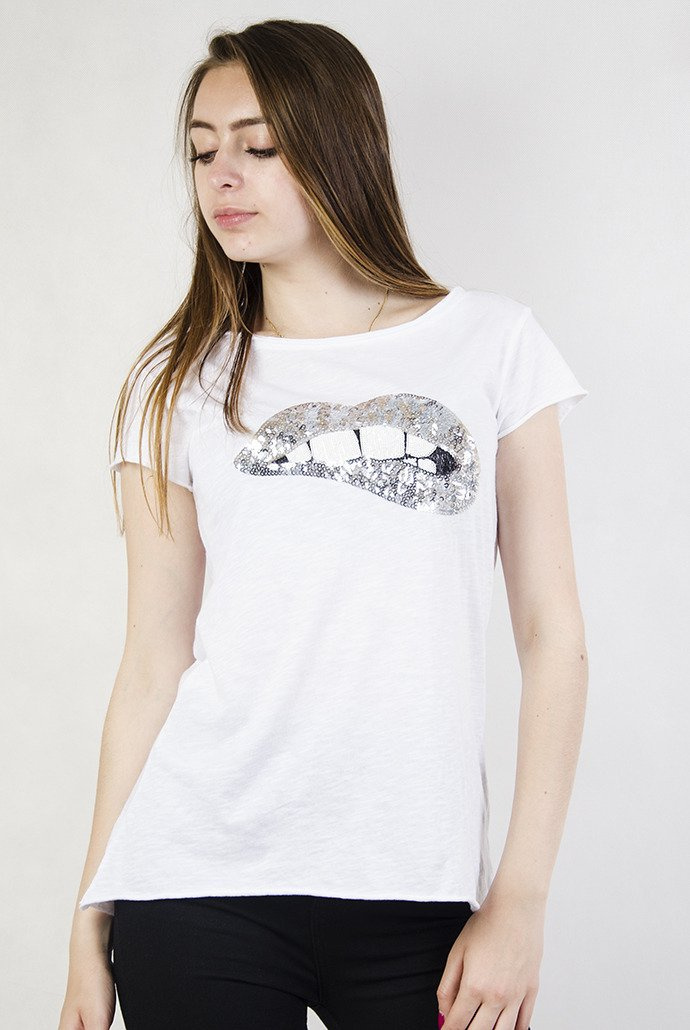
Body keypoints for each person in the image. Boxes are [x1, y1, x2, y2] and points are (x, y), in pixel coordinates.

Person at [59, 18, 589, 1030]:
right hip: (196, 875)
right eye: (203, 152)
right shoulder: (178, 381)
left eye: (259, 146)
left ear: (340, 148)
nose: (224, 177)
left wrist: (520, 897)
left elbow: (552, 635)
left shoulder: (491, 346)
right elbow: (151, 665)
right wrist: (88, 920)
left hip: (416, 886)